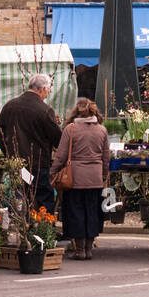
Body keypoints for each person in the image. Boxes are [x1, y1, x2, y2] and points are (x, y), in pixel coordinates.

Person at [50, 98, 111, 260]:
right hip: (95, 178)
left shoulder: (70, 129)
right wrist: (103, 176)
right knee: (92, 212)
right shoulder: (102, 130)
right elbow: (106, 157)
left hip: (74, 179)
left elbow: (61, 156)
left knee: (75, 212)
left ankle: (80, 250)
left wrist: (53, 172)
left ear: (75, 112)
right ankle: (89, 248)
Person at [0, 74, 63, 215]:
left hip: (17, 164)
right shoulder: (44, 110)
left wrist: (10, 155)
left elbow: (1, 136)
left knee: (19, 198)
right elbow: (58, 138)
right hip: (39, 163)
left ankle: (21, 229)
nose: (49, 92)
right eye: (49, 89)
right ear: (43, 89)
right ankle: (44, 232)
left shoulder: (9, 106)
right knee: (44, 198)